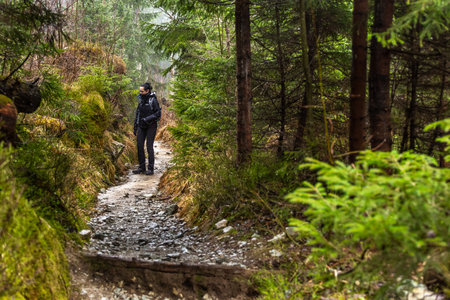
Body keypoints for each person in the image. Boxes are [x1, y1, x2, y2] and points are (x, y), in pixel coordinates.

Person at [132, 82, 161, 175]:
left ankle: (150, 169)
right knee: (139, 146)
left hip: (151, 126)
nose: (140, 92)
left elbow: (158, 114)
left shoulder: (153, 100)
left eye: (142, 91)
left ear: (147, 91)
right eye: (139, 91)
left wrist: (147, 119)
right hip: (141, 126)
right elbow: (138, 114)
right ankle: (141, 167)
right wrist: (135, 127)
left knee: (149, 146)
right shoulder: (141, 101)